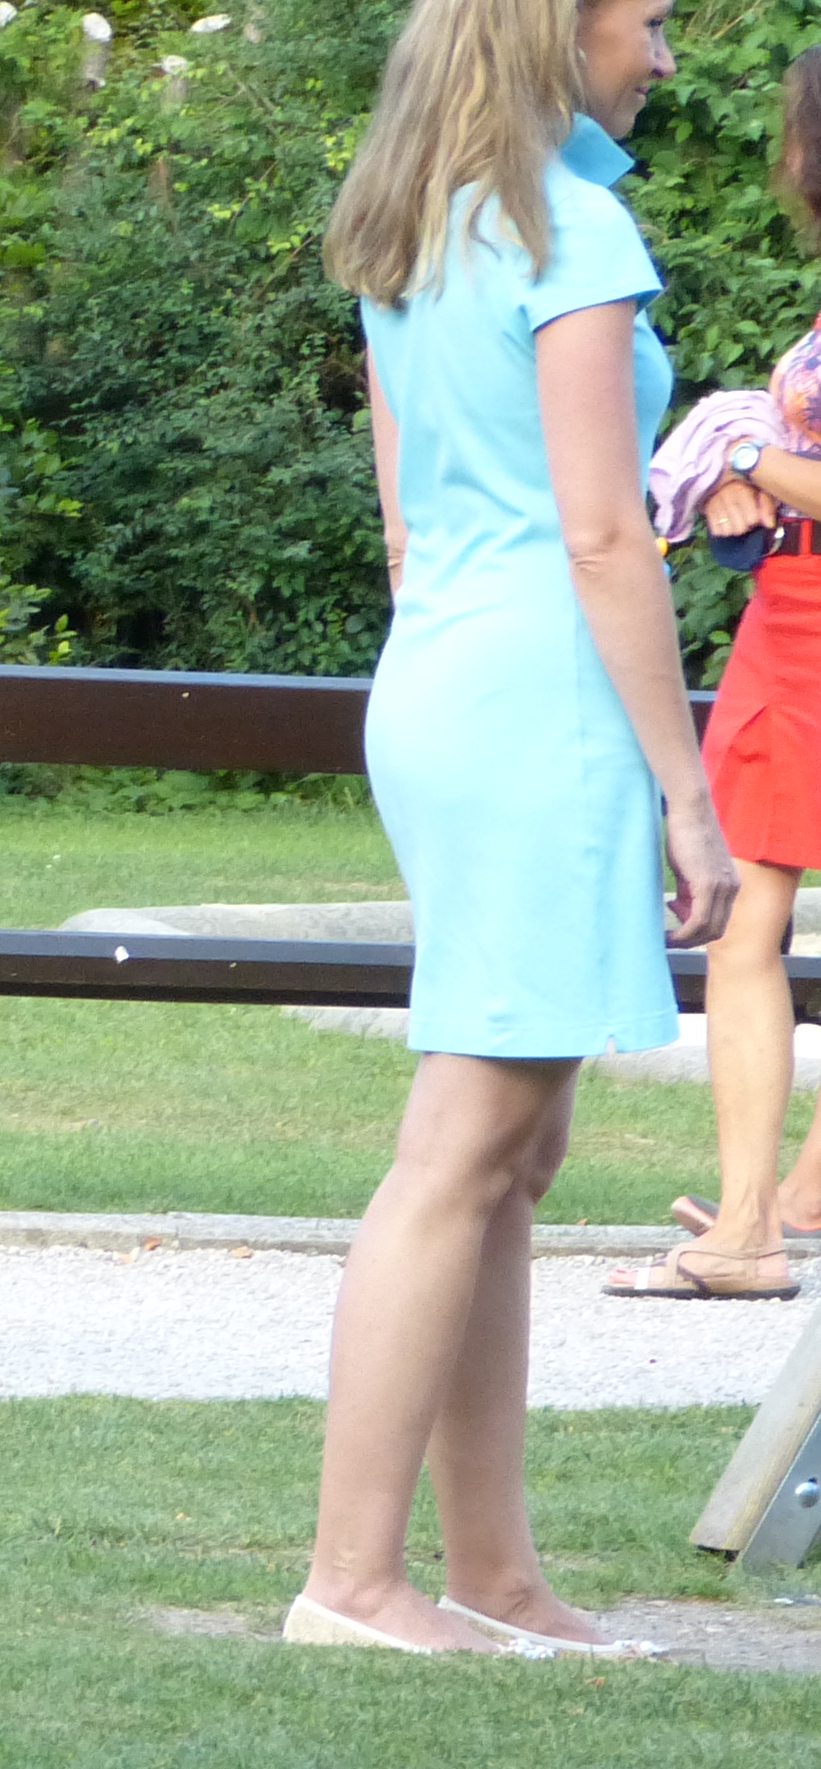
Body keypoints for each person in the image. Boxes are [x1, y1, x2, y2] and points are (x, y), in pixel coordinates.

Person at [297, 0, 736, 1653]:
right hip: (542, 699)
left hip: (441, 681)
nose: (665, 60)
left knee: (509, 1154)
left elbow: (409, 528)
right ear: (562, 30)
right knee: (462, 1147)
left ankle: (496, 1576)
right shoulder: (574, 231)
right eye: (651, 22)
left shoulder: (411, 218)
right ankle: (353, 1582)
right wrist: (685, 791)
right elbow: (609, 536)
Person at [622, 44, 821, 1300]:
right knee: (743, 922)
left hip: (805, 627)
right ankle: (783, 1202)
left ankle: (754, 1223)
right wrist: (750, 462)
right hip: (787, 616)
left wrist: (739, 447)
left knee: (743, 926)